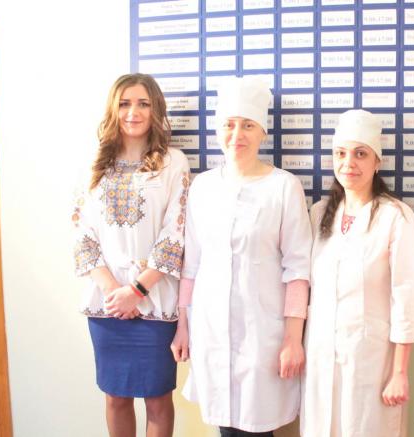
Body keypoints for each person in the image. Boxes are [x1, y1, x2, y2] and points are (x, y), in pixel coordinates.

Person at [171, 76, 312, 436]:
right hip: (210, 328)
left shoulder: (284, 186)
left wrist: (292, 338)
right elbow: (192, 264)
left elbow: (298, 268)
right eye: (229, 125)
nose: (237, 135)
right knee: (226, 427)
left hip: (263, 331)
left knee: (258, 425)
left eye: (248, 125)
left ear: (262, 131)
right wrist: (183, 324)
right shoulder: (203, 187)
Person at [72, 73, 189, 437]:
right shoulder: (95, 163)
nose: (133, 112)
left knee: (157, 398)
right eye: (124, 103)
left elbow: (176, 232)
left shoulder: (173, 162)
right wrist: (114, 293)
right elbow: (81, 230)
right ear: (113, 109)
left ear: (156, 110)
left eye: (143, 104)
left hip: (154, 301)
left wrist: (136, 291)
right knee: (115, 398)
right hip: (106, 305)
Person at [300, 109, 414, 437]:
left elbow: (407, 297)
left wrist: (400, 372)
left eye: (360, 154)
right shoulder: (319, 214)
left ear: (377, 161)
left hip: (372, 359)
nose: (348, 163)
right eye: (340, 154)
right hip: (320, 354)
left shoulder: (396, 216)